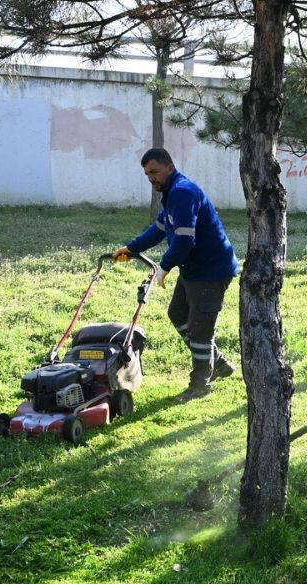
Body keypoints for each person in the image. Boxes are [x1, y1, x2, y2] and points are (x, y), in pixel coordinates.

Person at [114, 148, 239, 401]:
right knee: (178, 314)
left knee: (200, 329)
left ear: (169, 167)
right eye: (148, 174)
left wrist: (164, 267)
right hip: (194, 267)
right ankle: (219, 364)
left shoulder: (182, 192)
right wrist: (131, 248)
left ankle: (201, 384)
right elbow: (159, 229)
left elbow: (184, 241)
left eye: (155, 172)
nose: (152, 179)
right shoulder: (171, 194)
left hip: (211, 270)